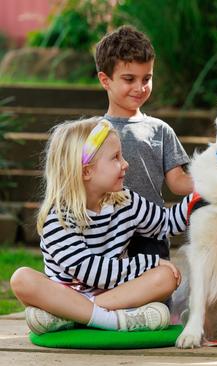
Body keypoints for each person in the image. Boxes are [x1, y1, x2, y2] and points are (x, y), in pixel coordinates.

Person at [10, 118, 192, 335]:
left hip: (111, 294)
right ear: (87, 172)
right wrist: (150, 262)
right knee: (22, 279)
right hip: (68, 293)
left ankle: (69, 316)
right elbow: (93, 272)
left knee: (167, 277)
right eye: (116, 158)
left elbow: (166, 223)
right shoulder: (58, 219)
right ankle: (111, 320)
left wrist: (201, 196)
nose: (125, 164)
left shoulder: (125, 201)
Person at [94, 25, 193, 260]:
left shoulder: (160, 130)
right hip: (105, 232)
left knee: (157, 293)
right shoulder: (93, 132)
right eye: (129, 79)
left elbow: (177, 182)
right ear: (105, 80)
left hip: (151, 233)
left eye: (147, 78)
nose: (140, 88)